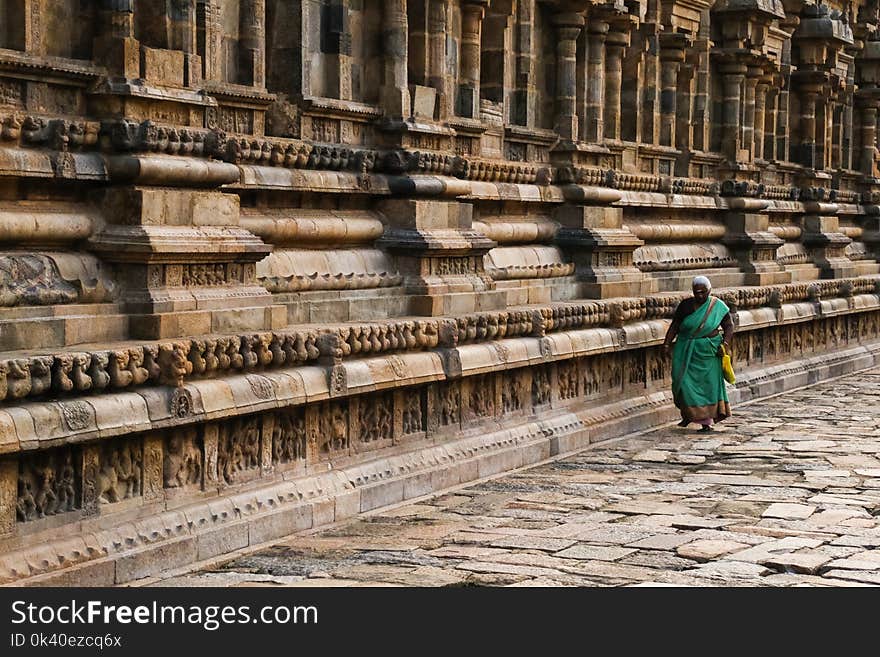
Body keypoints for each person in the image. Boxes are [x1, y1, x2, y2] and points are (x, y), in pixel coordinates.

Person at [663, 276, 734, 432]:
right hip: (686, 349)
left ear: (709, 291)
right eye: (697, 292)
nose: (700, 296)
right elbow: (675, 325)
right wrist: (667, 343)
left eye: (703, 292)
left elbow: (728, 326)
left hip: (709, 351)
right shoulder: (686, 306)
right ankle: (689, 414)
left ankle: (705, 421)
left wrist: (725, 343)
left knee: (708, 386)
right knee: (683, 383)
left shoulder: (717, 306)